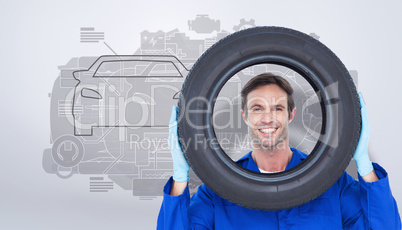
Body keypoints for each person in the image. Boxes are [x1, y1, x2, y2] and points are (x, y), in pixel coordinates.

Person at [157, 73, 401, 229]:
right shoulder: (217, 191)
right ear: (244, 116)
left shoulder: (331, 184)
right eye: (257, 108)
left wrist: (365, 166)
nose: (267, 118)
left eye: (277, 108)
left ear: (291, 114)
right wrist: (180, 178)